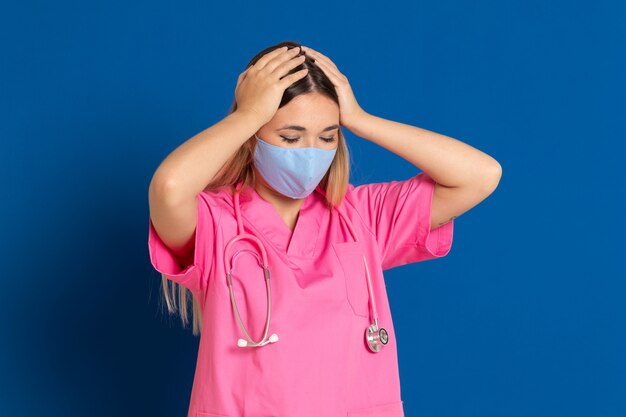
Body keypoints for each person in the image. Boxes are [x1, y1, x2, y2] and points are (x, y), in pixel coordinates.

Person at [147, 41, 501, 417]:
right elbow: (169, 188)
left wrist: (361, 120)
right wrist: (247, 114)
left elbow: (480, 176)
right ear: (251, 139)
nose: (310, 152)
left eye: (327, 136)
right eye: (290, 137)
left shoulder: (360, 215)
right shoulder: (216, 223)